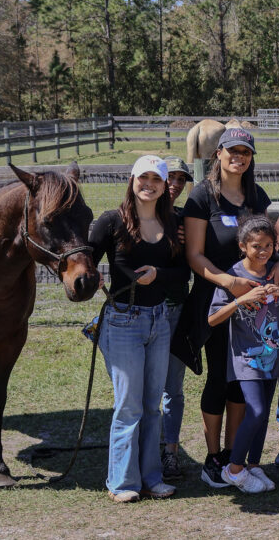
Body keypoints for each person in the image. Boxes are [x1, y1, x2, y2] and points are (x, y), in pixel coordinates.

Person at [179, 128, 279, 489]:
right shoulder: (201, 197)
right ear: (218, 155)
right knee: (217, 378)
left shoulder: (257, 196)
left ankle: (233, 455)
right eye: (232, 151)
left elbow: (267, 244)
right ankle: (213, 457)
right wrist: (228, 282)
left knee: (242, 380)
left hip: (254, 307)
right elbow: (194, 254)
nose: (239, 157)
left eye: (246, 151)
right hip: (216, 299)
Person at [90, 155, 186, 502]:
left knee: (151, 405)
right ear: (132, 181)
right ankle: (123, 483)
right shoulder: (112, 221)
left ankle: (151, 478)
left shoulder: (173, 221)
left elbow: (183, 274)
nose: (149, 184)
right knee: (128, 406)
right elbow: (84, 255)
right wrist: (91, 272)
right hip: (122, 321)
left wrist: (158, 274)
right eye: (142, 178)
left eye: (156, 179)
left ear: (164, 186)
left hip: (159, 321)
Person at [207, 216, 279, 493]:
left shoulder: (277, 271)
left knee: (263, 415)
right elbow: (213, 319)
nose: (263, 252)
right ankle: (234, 469)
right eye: (256, 246)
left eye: (269, 246)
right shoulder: (235, 276)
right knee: (257, 410)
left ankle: (253, 465)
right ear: (242, 246)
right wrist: (240, 301)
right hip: (245, 360)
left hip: (273, 358)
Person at [159, 156, 193, 480]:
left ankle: (170, 451)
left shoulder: (184, 219)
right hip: (145, 313)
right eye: (171, 177)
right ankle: (147, 448)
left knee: (173, 387)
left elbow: (191, 263)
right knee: (146, 389)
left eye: (181, 179)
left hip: (177, 310)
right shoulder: (138, 215)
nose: (176, 185)